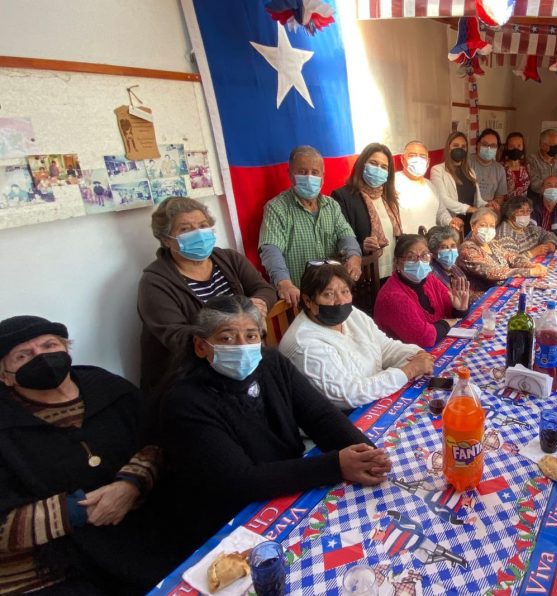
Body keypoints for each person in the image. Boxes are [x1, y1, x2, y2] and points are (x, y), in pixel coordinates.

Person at [160, 296, 388, 546]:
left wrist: (366, 453)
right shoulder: (185, 402)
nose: (241, 346)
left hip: (289, 481)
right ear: (201, 346)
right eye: (227, 338)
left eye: (251, 336)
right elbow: (241, 480)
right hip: (233, 515)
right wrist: (337, 466)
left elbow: (319, 414)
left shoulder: (271, 362)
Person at [0, 316, 178, 594]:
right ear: (4, 376)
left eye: (49, 345)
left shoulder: (106, 387)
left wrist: (131, 483)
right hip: (56, 558)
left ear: (67, 349)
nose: (41, 357)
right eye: (23, 356)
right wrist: (79, 511)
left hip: (138, 524)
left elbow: (159, 440)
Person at [139, 197, 276, 394]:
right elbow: (177, 337)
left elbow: (265, 289)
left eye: (203, 225)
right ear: (167, 239)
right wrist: (235, 328)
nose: (198, 233)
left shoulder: (229, 258)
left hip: (242, 359)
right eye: (185, 229)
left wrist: (257, 304)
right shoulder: (155, 282)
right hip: (191, 376)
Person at [279, 263, 434, 410]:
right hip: (339, 421)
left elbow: (384, 347)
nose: (340, 301)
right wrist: (409, 371)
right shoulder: (303, 344)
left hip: (373, 400)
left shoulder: (351, 314)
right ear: (308, 300)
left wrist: (415, 355)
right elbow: (349, 394)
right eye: (329, 294)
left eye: (345, 291)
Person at [259, 145, 363, 308]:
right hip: (301, 299)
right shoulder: (276, 208)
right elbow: (271, 249)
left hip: (335, 295)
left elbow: (346, 236)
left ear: (322, 176)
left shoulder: (332, 205)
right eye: (302, 172)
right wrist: (283, 282)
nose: (309, 177)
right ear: (291, 175)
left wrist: (354, 257)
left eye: (314, 173)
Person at [374, 235, 470, 348]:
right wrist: (447, 322)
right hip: (405, 358)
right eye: (411, 257)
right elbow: (424, 338)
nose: (419, 262)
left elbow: (451, 312)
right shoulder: (392, 297)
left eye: (424, 255)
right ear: (397, 263)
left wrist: (459, 309)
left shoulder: (429, 279)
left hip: (433, 347)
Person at [332, 143, 403, 280]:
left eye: (383, 167)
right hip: (365, 278)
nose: (378, 169)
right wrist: (361, 246)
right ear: (362, 164)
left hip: (394, 274)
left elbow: (396, 235)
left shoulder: (389, 198)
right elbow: (337, 241)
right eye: (373, 163)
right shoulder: (343, 196)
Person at [458, 208, 547, 297]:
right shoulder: (467, 249)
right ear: (473, 226)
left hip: (502, 290)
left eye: (492, 226)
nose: (488, 229)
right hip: (482, 298)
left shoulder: (492, 243)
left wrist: (532, 265)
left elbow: (512, 257)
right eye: (483, 225)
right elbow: (491, 272)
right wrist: (530, 272)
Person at [395, 140, 459, 234]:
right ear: (402, 159)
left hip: (430, 243)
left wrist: (449, 221)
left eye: (422, 156)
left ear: (428, 162)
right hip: (406, 244)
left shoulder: (431, 186)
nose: (418, 160)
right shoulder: (393, 183)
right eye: (412, 155)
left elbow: (440, 212)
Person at [430, 131, 486, 234]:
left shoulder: (470, 172)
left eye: (463, 146)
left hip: (471, 224)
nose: (459, 149)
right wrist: (469, 209)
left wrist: (487, 205)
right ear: (448, 147)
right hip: (452, 225)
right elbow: (443, 199)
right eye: (455, 145)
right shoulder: (437, 170)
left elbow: (477, 201)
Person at [527, 129, 557, 197]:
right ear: (542, 145)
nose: (556, 148)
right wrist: (556, 190)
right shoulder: (532, 159)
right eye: (553, 146)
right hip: (540, 199)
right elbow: (534, 183)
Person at [471, 128, 507, 210]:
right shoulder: (466, 163)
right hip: (467, 210)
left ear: (497, 148)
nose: (489, 148)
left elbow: (500, 197)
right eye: (485, 144)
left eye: (493, 145)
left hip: (489, 211)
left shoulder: (499, 169)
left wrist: (493, 205)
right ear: (478, 145)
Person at [427, 226, 468, 290]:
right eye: (444, 247)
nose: (450, 250)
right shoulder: (431, 274)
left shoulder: (455, 268)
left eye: (453, 246)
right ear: (434, 253)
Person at [502, 132, 530, 200]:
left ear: (523, 147)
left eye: (519, 146)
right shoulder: (500, 167)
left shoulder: (527, 166)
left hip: (522, 207)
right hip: (505, 207)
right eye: (512, 146)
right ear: (507, 147)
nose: (515, 149)